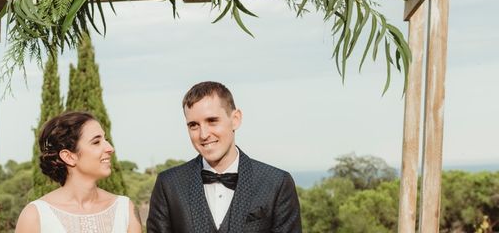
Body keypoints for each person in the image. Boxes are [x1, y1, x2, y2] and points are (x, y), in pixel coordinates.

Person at [147, 81, 302, 233]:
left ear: (235, 119)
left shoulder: (277, 183)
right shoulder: (168, 184)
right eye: (193, 125)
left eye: (212, 121)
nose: (204, 134)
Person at [16, 111, 142, 233]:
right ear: (69, 157)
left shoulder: (125, 210)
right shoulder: (35, 216)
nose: (110, 148)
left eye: (106, 139)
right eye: (96, 142)